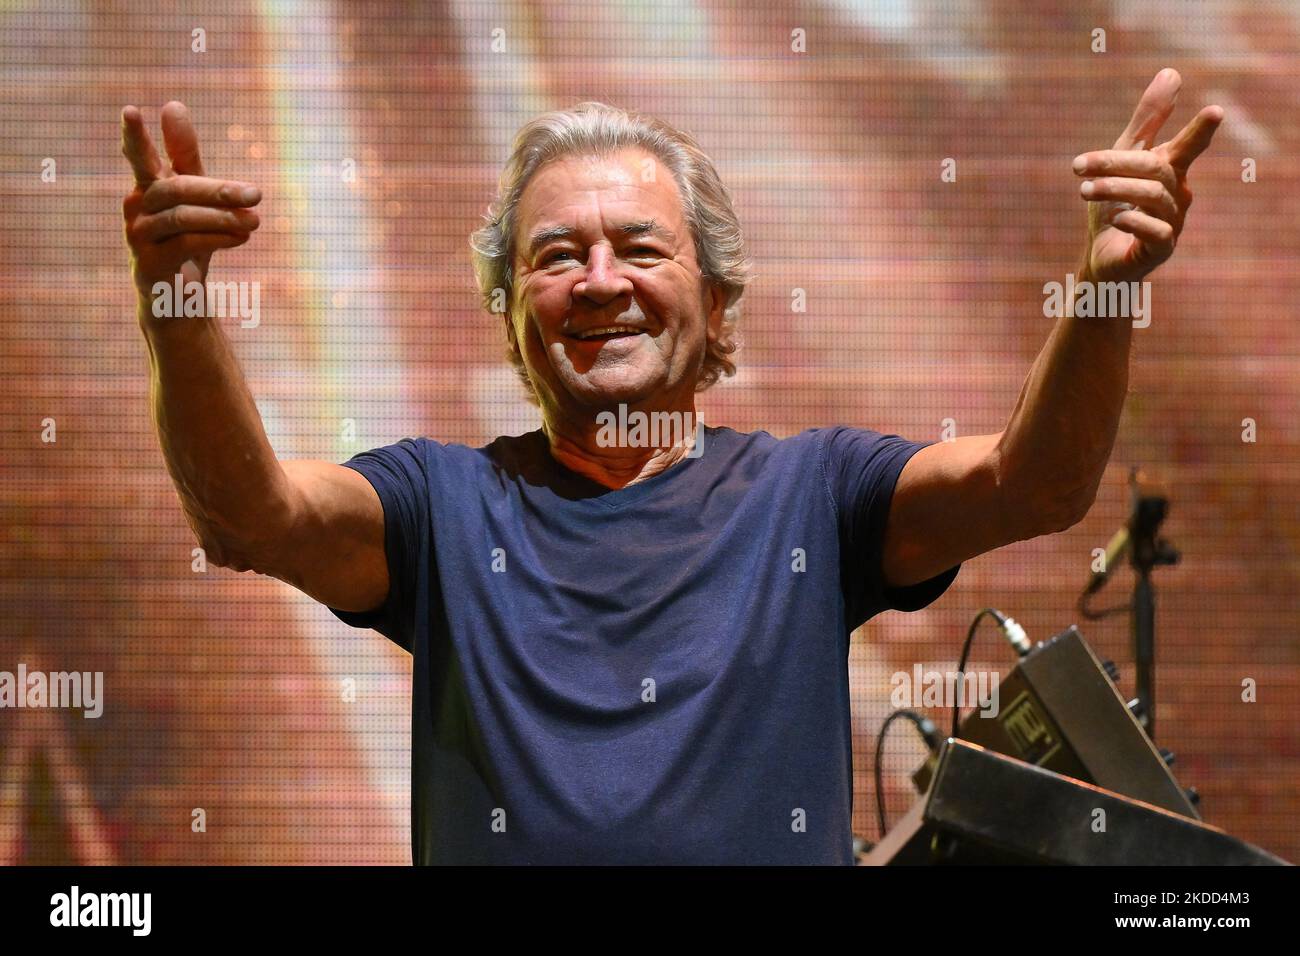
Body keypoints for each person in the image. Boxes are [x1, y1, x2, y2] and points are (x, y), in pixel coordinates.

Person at [120, 69, 1221, 864]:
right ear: (511, 314)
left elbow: (1037, 485)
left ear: (716, 297)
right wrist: (177, 307)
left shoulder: (814, 493)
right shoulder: (438, 505)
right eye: (556, 256)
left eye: (640, 248)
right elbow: (248, 517)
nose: (600, 281)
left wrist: (1107, 287)